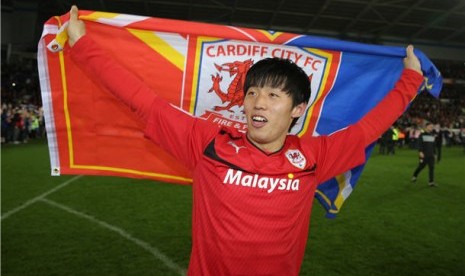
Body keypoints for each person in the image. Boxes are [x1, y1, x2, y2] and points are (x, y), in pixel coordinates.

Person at [66, 6, 424, 275]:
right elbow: (141, 100)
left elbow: (370, 127)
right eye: (252, 93)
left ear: (298, 109)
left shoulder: (315, 156)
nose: (258, 102)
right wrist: (82, 43)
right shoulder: (207, 142)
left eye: (272, 95)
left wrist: (410, 79)